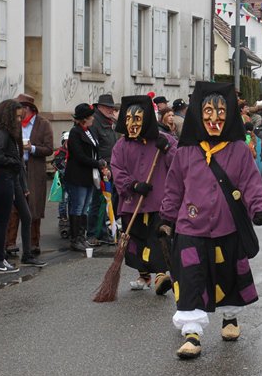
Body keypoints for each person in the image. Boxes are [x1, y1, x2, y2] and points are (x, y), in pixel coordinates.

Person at [160, 82, 262, 359]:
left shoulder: (239, 149)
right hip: (190, 227)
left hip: (227, 226)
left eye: (220, 112)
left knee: (228, 275)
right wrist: (167, 217)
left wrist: (258, 207)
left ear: (229, 115)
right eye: (208, 112)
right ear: (199, 114)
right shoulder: (185, 151)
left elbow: (251, 182)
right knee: (191, 279)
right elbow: (174, 187)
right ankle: (192, 333)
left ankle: (230, 317)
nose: (214, 118)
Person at [111, 95, 177, 293]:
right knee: (136, 240)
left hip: (159, 203)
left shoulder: (163, 140)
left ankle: (161, 275)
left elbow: (180, 164)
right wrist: (133, 185)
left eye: (137, 120)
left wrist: (167, 150)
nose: (132, 125)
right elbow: (117, 169)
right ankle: (144, 275)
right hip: (133, 202)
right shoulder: (121, 146)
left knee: (158, 240)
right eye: (129, 120)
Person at [0, 99, 44, 274]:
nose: (20, 121)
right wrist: (15, 163)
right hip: (4, 179)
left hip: (11, 179)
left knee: (21, 216)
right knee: (0, 221)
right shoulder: (2, 133)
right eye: (18, 117)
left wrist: (20, 178)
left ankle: (10, 256)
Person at [4, 94, 53, 257]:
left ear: (28, 109)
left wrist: (32, 148)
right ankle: (10, 243)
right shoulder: (13, 123)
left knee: (34, 207)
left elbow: (49, 148)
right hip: (16, 168)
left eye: (21, 108)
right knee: (13, 207)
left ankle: (33, 243)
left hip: (34, 169)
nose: (18, 112)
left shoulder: (43, 124)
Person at [64, 103, 109, 252]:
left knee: (85, 208)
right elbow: (79, 156)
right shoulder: (75, 133)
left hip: (89, 175)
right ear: (84, 119)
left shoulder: (89, 131)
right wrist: (97, 163)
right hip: (78, 175)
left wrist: (100, 161)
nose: (93, 118)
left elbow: (95, 149)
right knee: (77, 206)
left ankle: (82, 237)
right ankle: (75, 238)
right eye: (91, 116)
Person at [87, 94, 119, 247]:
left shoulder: (109, 121)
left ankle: (102, 232)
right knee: (98, 202)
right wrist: (103, 167)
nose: (111, 110)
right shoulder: (95, 122)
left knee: (106, 202)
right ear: (99, 107)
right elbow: (95, 148)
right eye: (108, 107)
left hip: (110, 166)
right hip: (101, 168)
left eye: (112, 107)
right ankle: (93, 233)